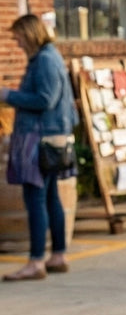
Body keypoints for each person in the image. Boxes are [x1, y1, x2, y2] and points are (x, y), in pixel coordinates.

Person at [1, 14, 78, 281]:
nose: (17, 42)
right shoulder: (47, 57)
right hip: (50, 139)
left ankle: (36, 262)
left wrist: (7, 95)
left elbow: (45, 99)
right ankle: (57, 255)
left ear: (30, 34)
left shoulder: (45, 60)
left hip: (40, 140)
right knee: (49, 197)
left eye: (18, 36)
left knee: (35, 199)